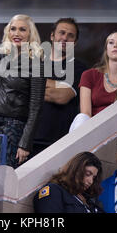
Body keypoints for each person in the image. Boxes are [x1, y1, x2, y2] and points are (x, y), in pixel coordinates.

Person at [0, 0, 46, 168]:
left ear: (30, 34)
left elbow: (36, 106)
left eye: (22, 29)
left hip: (15, 126)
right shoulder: (2, 54)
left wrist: (25, 143)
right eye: (13, 29)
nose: (17, 33)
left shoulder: (36, 64)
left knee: (7, 173)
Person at [32, 18, 87, 156]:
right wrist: (57, 85)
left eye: (70, 35)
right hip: (29, 139)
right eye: (61, 33)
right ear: (52, 36)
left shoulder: (80, 68)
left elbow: (62, 97)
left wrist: (32, 86)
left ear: (75, 42)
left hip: (59, 141)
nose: (65, 38)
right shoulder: (35, 63)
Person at [34, 151, 104, 213]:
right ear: (76, 170)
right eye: (88, 174)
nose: (90, 181)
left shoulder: (90, 199)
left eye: (94, 178)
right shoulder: (54, 191)